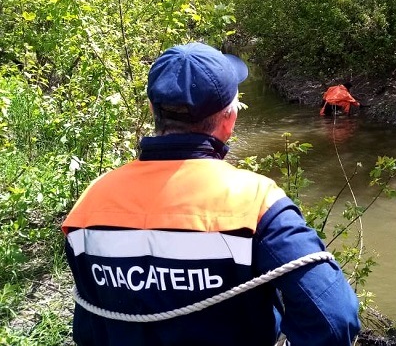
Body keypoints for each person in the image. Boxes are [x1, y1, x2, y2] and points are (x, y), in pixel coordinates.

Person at [61, 42, 361, 346]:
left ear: (152, 109)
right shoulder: (254, 200)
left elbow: (90, 320)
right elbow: (335, 320)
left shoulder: (90, 200)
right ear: (229, 119)